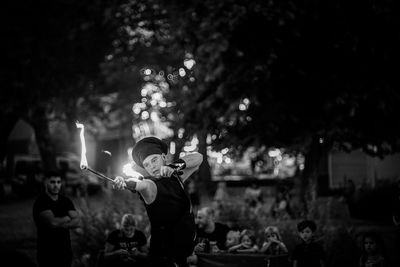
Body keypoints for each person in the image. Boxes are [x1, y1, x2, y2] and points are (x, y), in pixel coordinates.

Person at [113, 136, 203, 267]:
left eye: (154, 160)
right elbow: (140, 184)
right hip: (164, 259)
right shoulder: (150, 185)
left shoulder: (177, 176)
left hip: (184, 256)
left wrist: (175, 166)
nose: (152, 167)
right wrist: (124, 182)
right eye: (147, 165)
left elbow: (198, 157)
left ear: (164, 157)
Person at [32, 171, 81, 267]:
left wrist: (60, 223)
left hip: (65, 252)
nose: (56, 185)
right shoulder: (41, 202)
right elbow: (52, 223)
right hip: (47, 253)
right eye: (52, 182)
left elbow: (77, 221)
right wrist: (67, 218)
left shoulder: (65, 201)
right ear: (45, 182)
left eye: (58, 182)